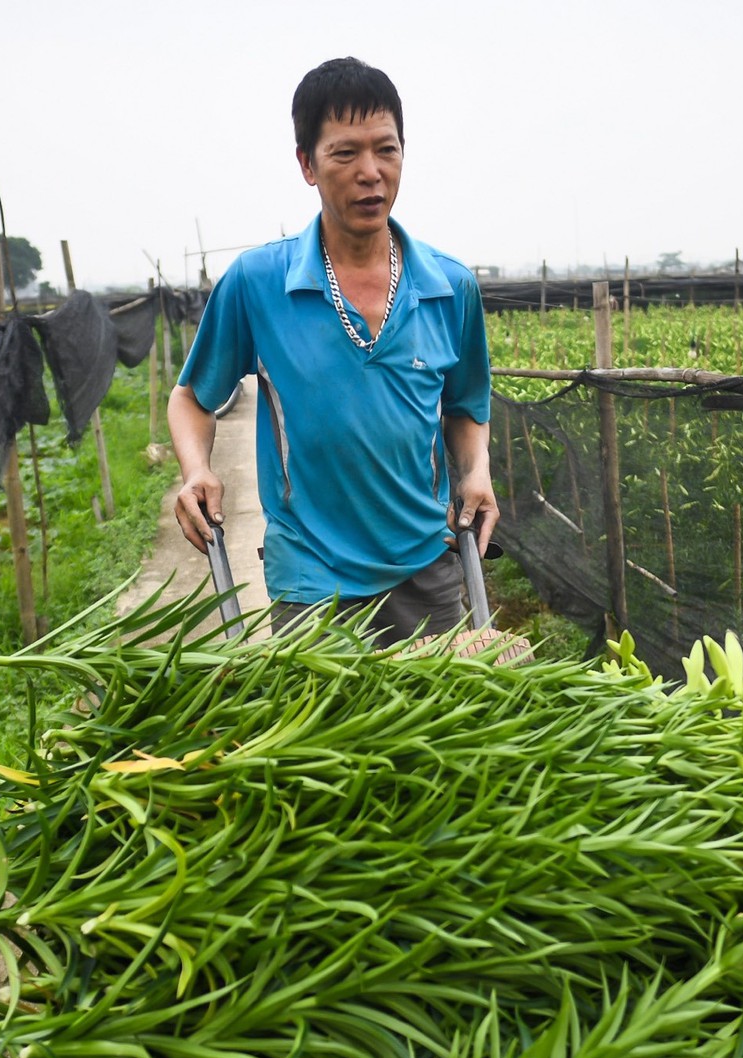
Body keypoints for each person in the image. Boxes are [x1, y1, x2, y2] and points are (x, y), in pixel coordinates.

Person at [167, 56, 497, 645]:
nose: (370, 172)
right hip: (312, 582)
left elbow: (467, 407)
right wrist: (196, 470)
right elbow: (193, 398)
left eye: (386, 150)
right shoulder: (257, 283)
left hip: (427, 564)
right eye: (345, 153)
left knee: (442, 734)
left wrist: (478, 473)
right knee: (324, 734)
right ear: (307, 165)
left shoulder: (450, 288)